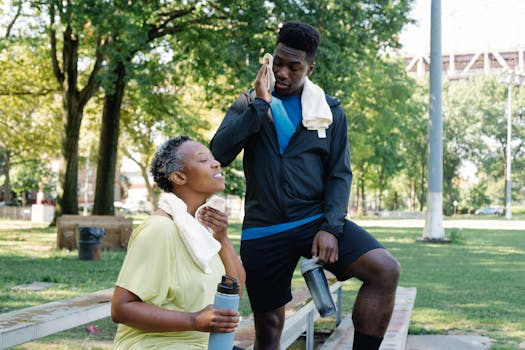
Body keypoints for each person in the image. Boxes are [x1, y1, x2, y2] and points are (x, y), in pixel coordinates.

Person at [210, 21, 400, 350]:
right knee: (269, 328)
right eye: (278, 63)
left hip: (314, 221)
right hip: (264, 228)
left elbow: (340, 174)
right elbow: (218, 153)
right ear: (269, 60)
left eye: (293, 67)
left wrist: (330, 226)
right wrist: (259, 104)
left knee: (385, 270)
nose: (282, 73)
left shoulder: (329, 111)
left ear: (309, 68)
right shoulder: (248, 103)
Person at [111, 136, 245, 349]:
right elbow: (121, 309)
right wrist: (193, 320)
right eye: (203, 160)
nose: (216, 163)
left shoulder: (202, 231)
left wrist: (223, 238)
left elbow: (235, 292)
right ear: (179, 177)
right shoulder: (159, 229)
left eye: (212, 158)